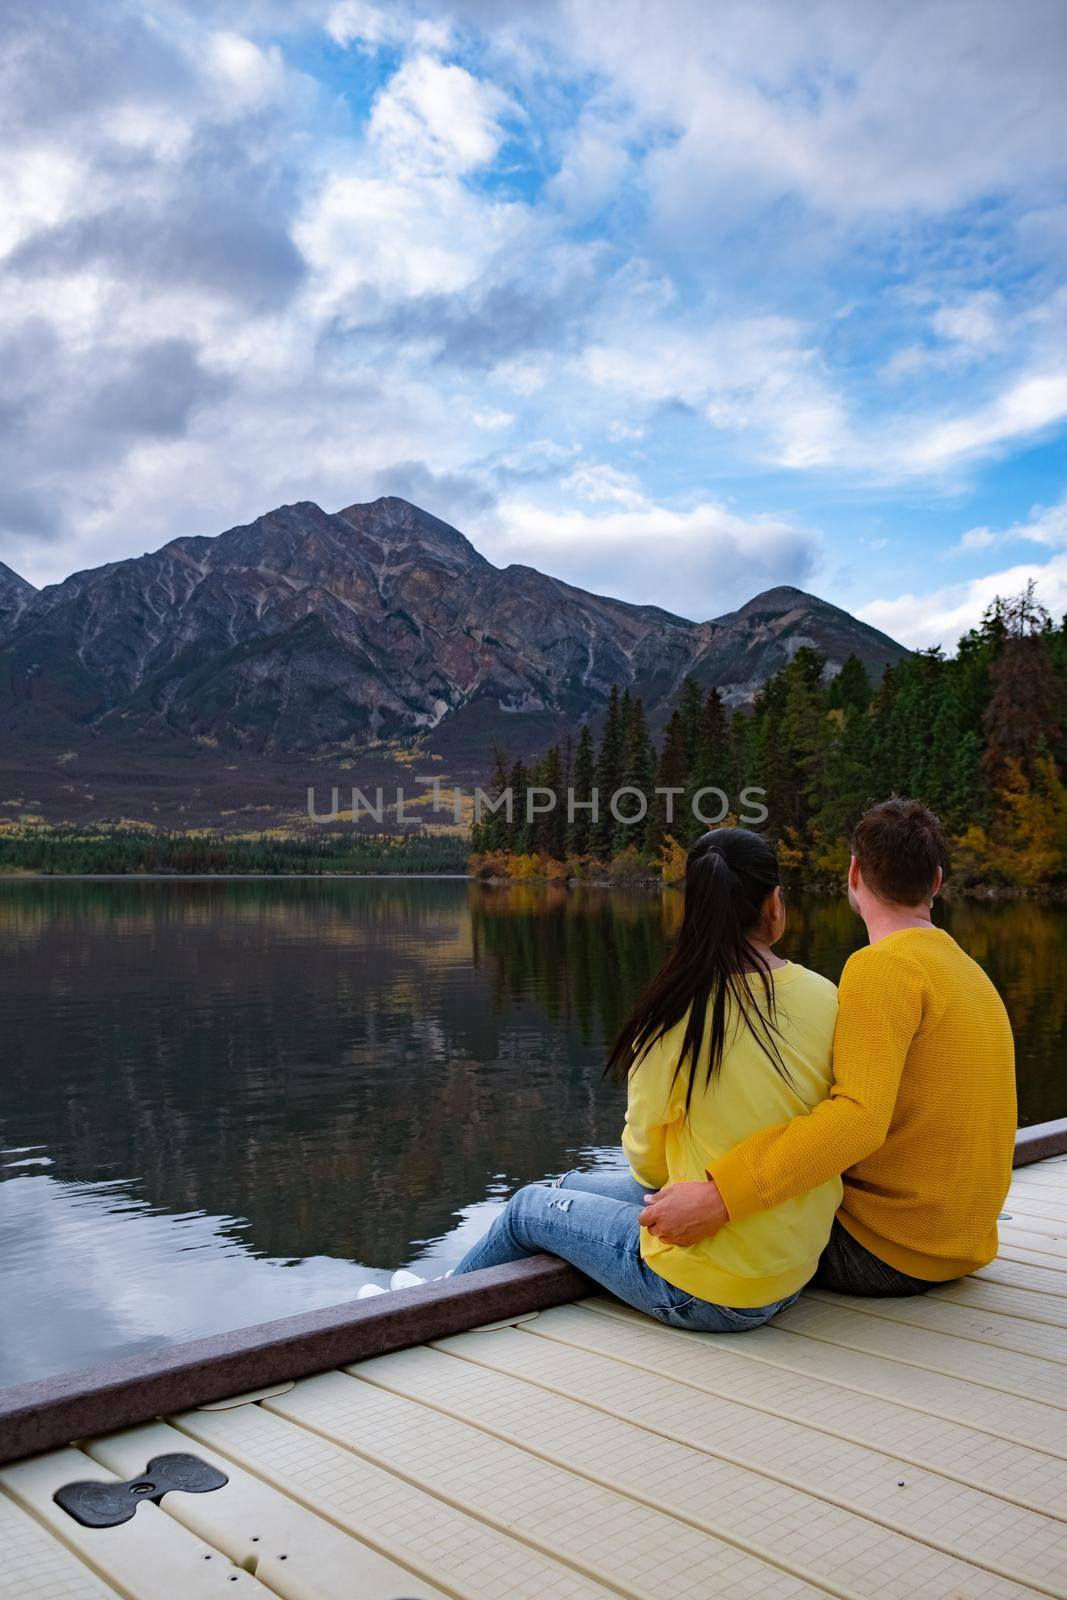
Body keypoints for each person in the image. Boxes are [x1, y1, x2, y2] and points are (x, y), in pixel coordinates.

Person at [451, 827, 842, 1331]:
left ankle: (425, 1308)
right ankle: (447, 1293)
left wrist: (678, 1191)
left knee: (528, 1208)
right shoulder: (825, 996)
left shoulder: (679, 1012)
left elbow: (647, 1160)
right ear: (773, 903)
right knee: (568, 1186)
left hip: (706, 1292)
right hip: (793, 1268)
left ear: (695, 909)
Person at [639, 798, 1017, 1296]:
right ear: (937, 882)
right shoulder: (970, 973)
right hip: (961, 1242)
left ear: (854, 874)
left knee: (650, 1206)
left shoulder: (880, 968)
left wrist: (721, 1196)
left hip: (887, 1250)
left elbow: (857, 1119)